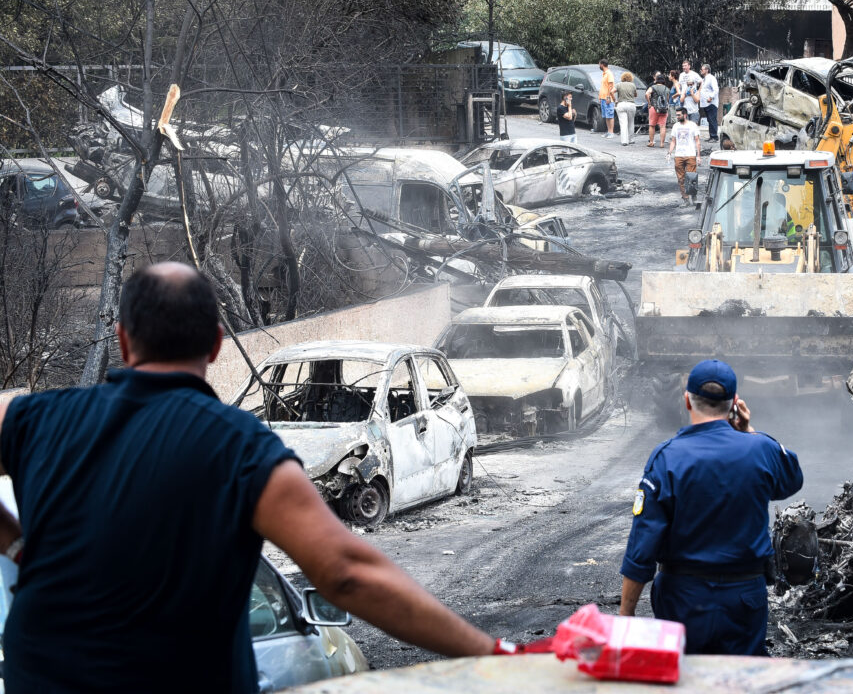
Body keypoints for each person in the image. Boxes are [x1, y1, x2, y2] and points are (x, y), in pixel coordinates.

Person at [0, 262, 497, 692]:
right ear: (217, 345)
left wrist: (18, 546)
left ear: (123, 340)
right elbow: (345, 572)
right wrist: (491, 652)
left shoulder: (38, 419)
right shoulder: (238, 447)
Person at [619, 359, 803, 655]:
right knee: (742, 681)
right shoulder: (761, 449)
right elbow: (791, 481)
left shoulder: (667, 457)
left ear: (687, 401)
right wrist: (750, 431)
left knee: (683, 678)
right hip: (744, 598)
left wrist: (626, 615)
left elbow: (642, 546)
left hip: (682, 599)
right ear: (735, 404)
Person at [667, 109, 701, 206]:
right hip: (679, 155)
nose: (677, 117)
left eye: (679, 115)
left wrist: (698, 155)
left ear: (685, 115)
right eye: (676, 115)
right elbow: (673, 141)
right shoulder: (675, 126)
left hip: (690, 155)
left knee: (692, 178)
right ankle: (685, 199)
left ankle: (693, 197)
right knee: (681, 178)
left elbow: (697, 141)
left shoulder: (692, 125)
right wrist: (669, 152)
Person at [646, 73, 671, 148]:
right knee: (662, 126)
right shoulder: (667, 88)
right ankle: (662, 144)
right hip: (663, 109)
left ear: (656, 80)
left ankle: (651, 142)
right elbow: (667, 99)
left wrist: (649, 103)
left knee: (652, 125)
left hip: (654, 108)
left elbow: (647, 94)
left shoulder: (653, 87)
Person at [615, 71, 639, 146]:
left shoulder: (618, 84)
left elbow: (611, 91)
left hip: (621, 104)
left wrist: (615, 100)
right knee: (631, 123)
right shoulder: (633, 85)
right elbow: (635, 95)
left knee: (623, 123)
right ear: (630, 78)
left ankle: (624, 141)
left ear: (623, 78)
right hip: (631, 104)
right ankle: (631, 139)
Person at [698, 63, 720, 142]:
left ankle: (714, 137)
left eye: (702, 69)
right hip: (706, 104)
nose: (701, 70)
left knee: (712, 119)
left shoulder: (711, 78)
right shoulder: (704, 79)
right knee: (709, 120)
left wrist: (711, 97)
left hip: (711, 103)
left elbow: (716, 89)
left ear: (707, 70)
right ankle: (711, 136)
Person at [598, 59, 616, 138]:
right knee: (606, 115)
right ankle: (608, 131)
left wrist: (608, 97)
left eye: (599, 64)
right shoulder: (604, 74)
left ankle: (611, 132)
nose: (599, 66)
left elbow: (611, 86)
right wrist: (600, 97)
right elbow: (603, 87)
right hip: (603, 98)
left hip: (608, 98)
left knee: (610, 115)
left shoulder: (609, 73)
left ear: (602, 64)